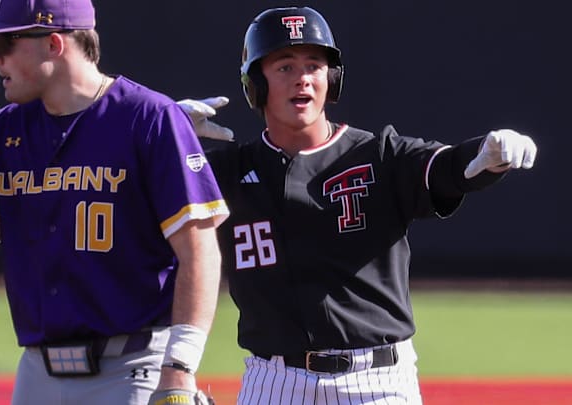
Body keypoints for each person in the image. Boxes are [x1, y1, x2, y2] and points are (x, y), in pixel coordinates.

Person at [178, 6, 537, 405]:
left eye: (315, 65)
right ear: (255, 84)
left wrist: (487, 158)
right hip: (272, 379)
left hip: (377, 381)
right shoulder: (224, 172)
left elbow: (447, 167)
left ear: (332, 80)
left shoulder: (378, 154)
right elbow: (128, 194)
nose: (303, 79)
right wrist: (160, 137)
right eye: (284, 66)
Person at [0, 0, 227, 404]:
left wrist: (179, 370)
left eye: (4, 42)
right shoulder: (8, 128)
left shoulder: (149, 117)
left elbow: (200, 253)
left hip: (133, 371)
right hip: (37, 374)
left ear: (54, 44)